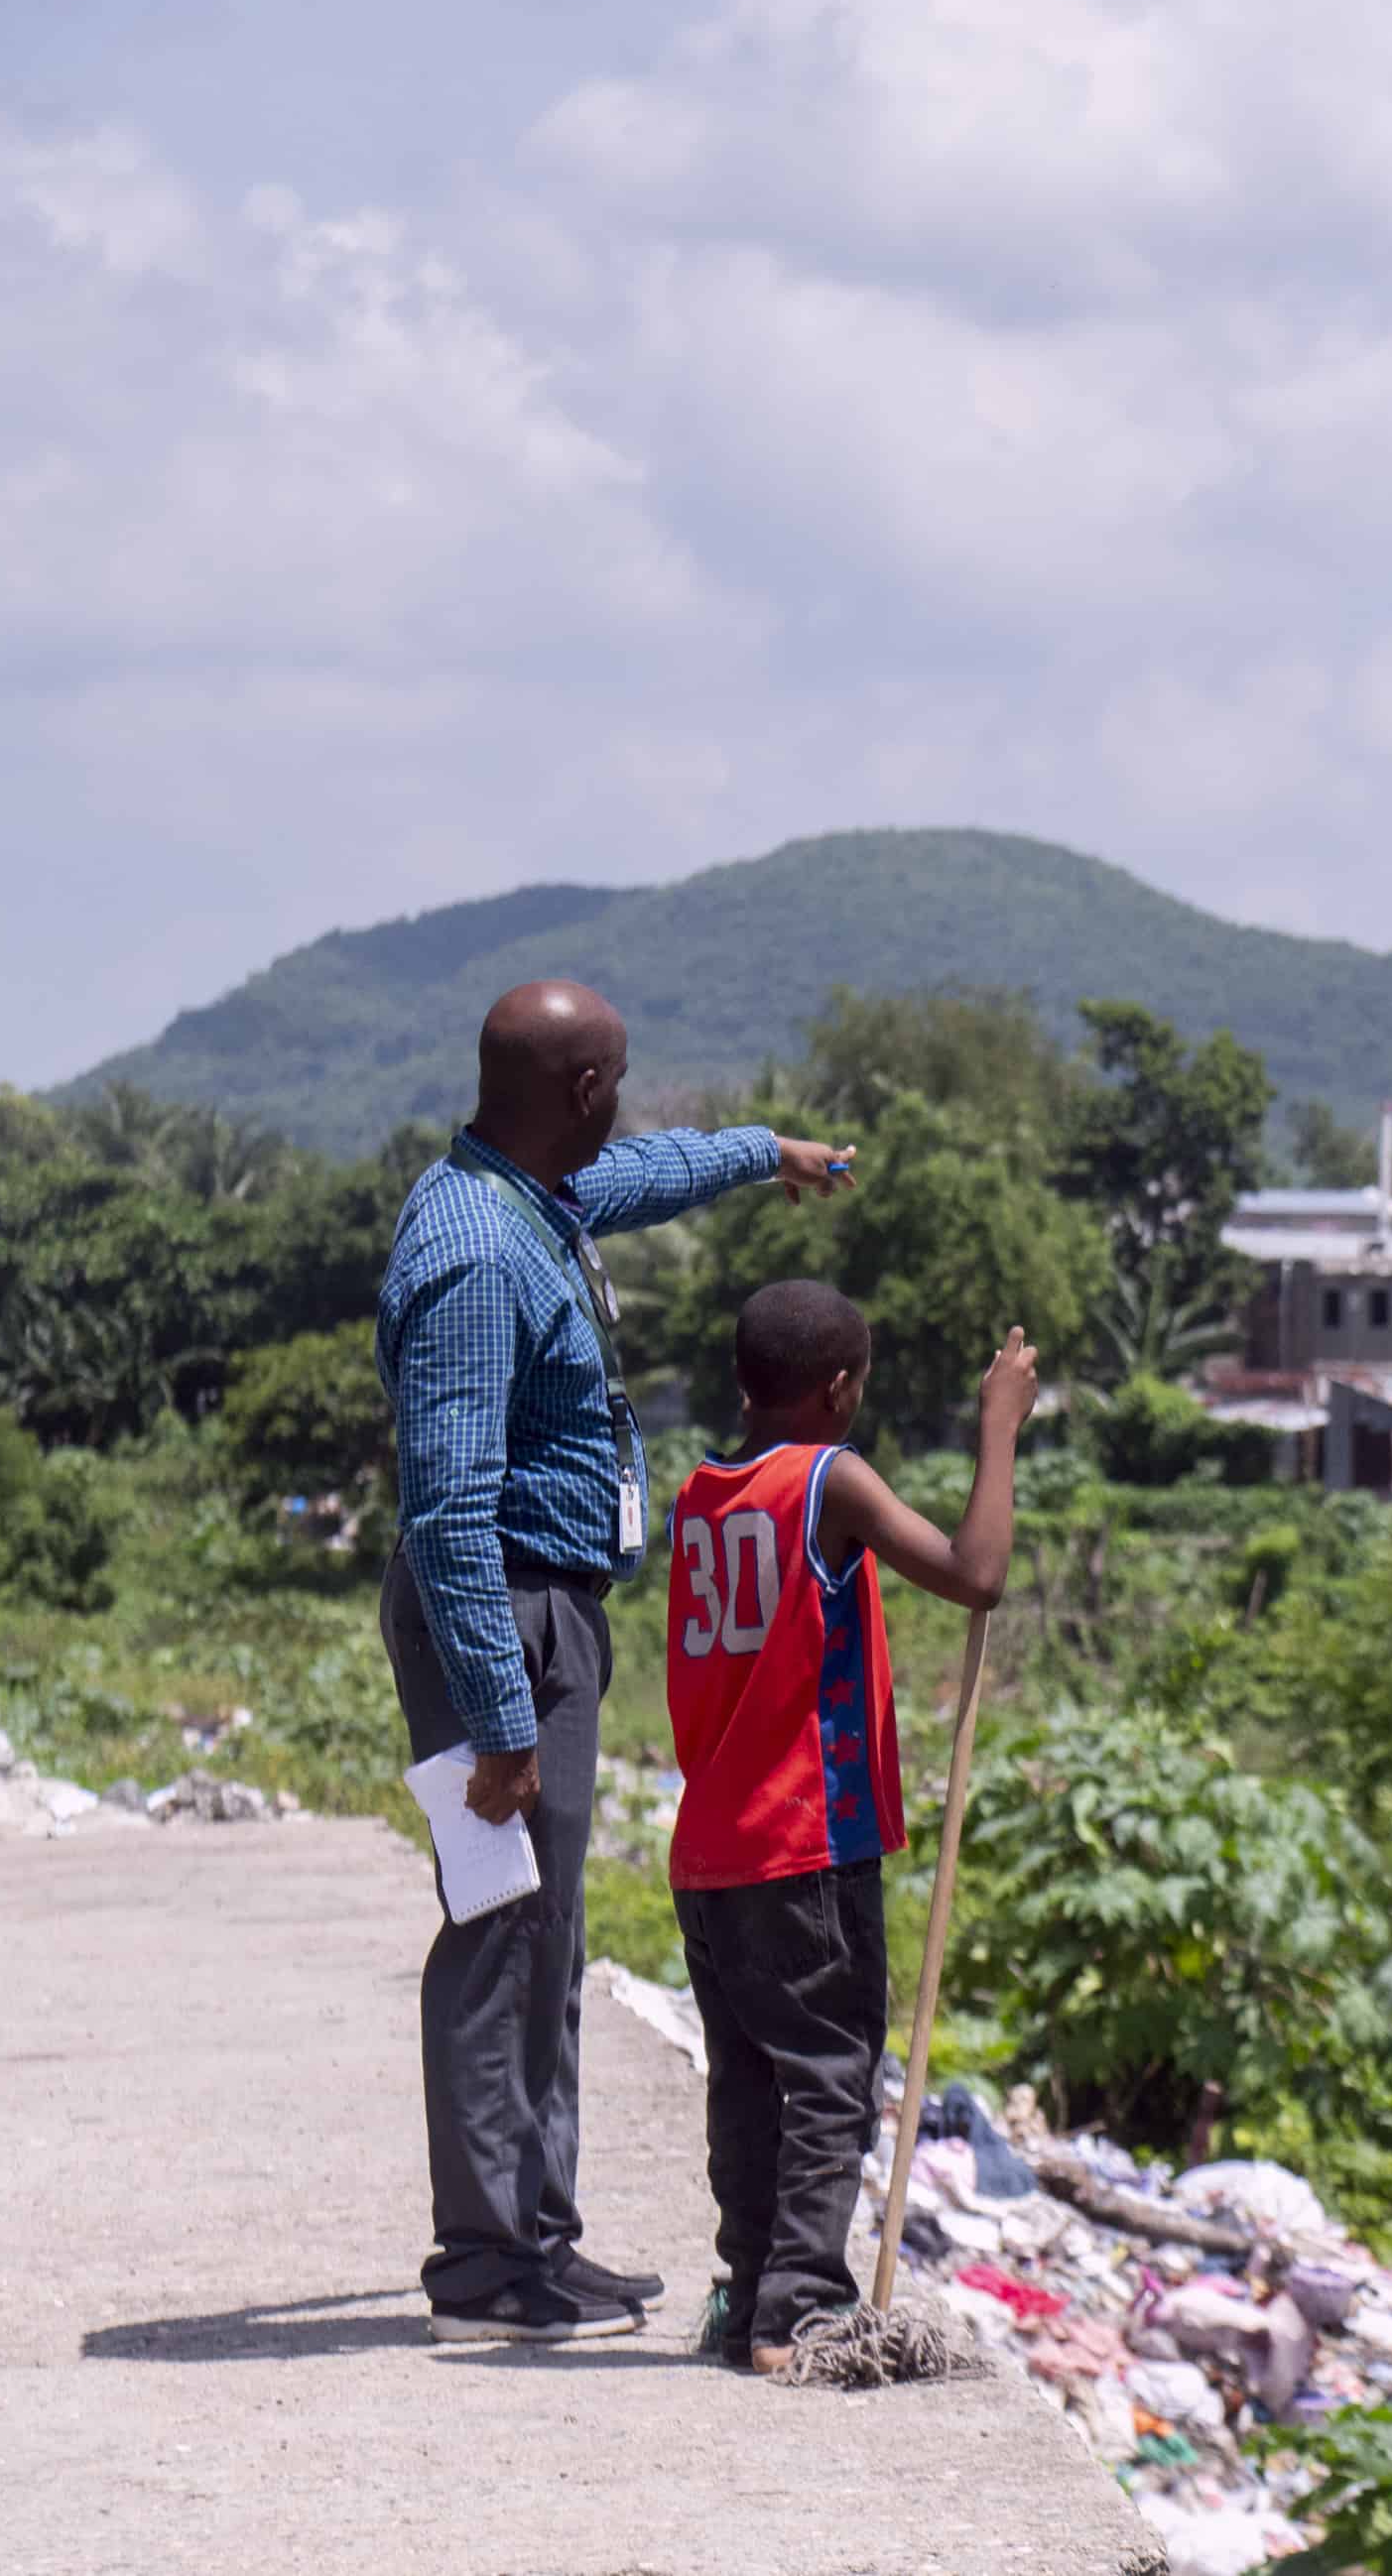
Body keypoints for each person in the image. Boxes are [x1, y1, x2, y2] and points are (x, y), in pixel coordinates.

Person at [376, 979, 856, 2345]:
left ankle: (538, 2231)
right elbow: (449, 1505)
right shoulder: (478, 1248)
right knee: (499, 1924)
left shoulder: (533, 1197)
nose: (629, 1105)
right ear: (583, 1088)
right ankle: (485, 2257)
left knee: (547, 1931)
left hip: (540, 1608)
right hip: (503, 1611)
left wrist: (768, 1152)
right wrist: (500, 1712)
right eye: (621, 1079)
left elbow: (644, 1174)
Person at [665, 1287, 1038, 2373]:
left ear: (743, 1382)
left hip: (710, 1852)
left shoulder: (702, 1493)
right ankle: (795, 2315)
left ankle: (749, 2301)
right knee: (829, 2076)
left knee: (746, 2086)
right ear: (838, 1389)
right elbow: (977, 1576)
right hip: (805, 1844)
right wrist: (999, 1429)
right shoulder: (829, 1478)